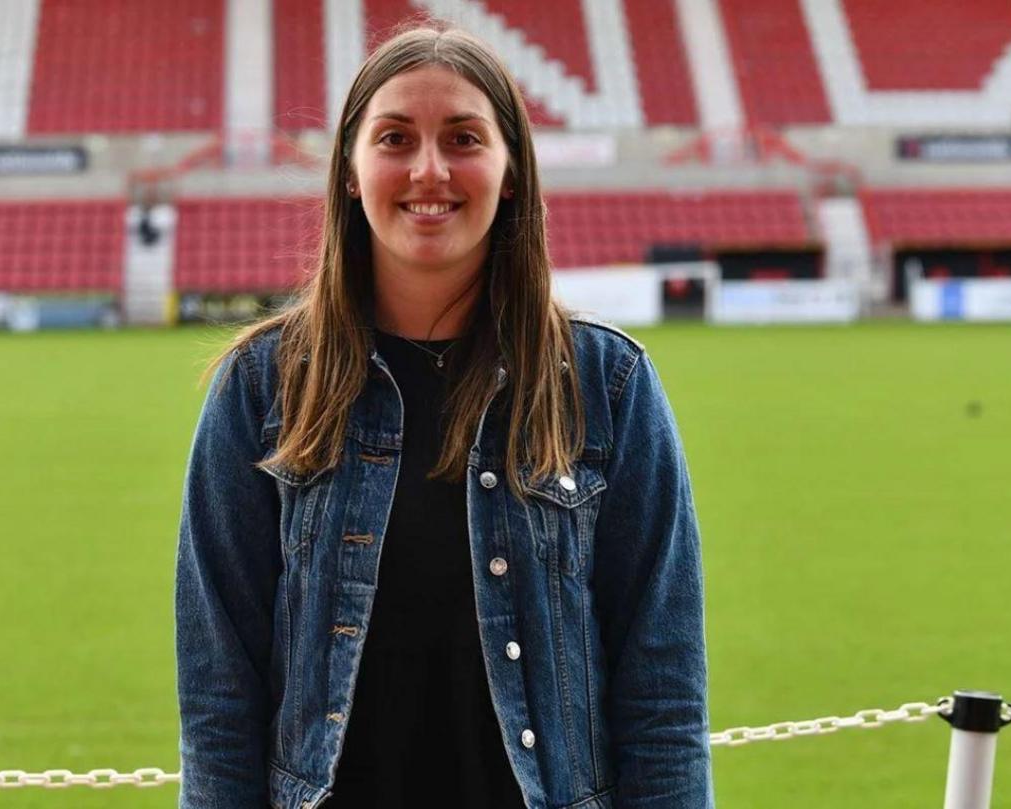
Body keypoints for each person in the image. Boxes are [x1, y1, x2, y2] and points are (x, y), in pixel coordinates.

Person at [176, 24, 712, 809]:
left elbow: (663, 696)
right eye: (395, 138)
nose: (430, 169)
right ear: (352, 173)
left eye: (463, 137)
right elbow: (220, 699)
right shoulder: (262, 391)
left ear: (512, 170)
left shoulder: (608, 385)